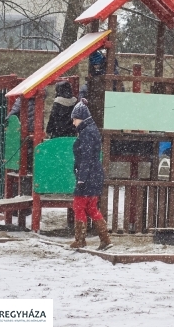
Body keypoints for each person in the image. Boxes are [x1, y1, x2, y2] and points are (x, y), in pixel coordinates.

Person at [69, 101, 111, 250]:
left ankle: (80, 240)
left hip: (88, 176)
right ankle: (105, 239)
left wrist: (81, 177)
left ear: (81, 117)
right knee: (92, 207)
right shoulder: (92, 130)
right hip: (95, 175)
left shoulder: (87, 133)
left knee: (79, 206)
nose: (73, 122)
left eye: (75, 119)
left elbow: (86, 157)